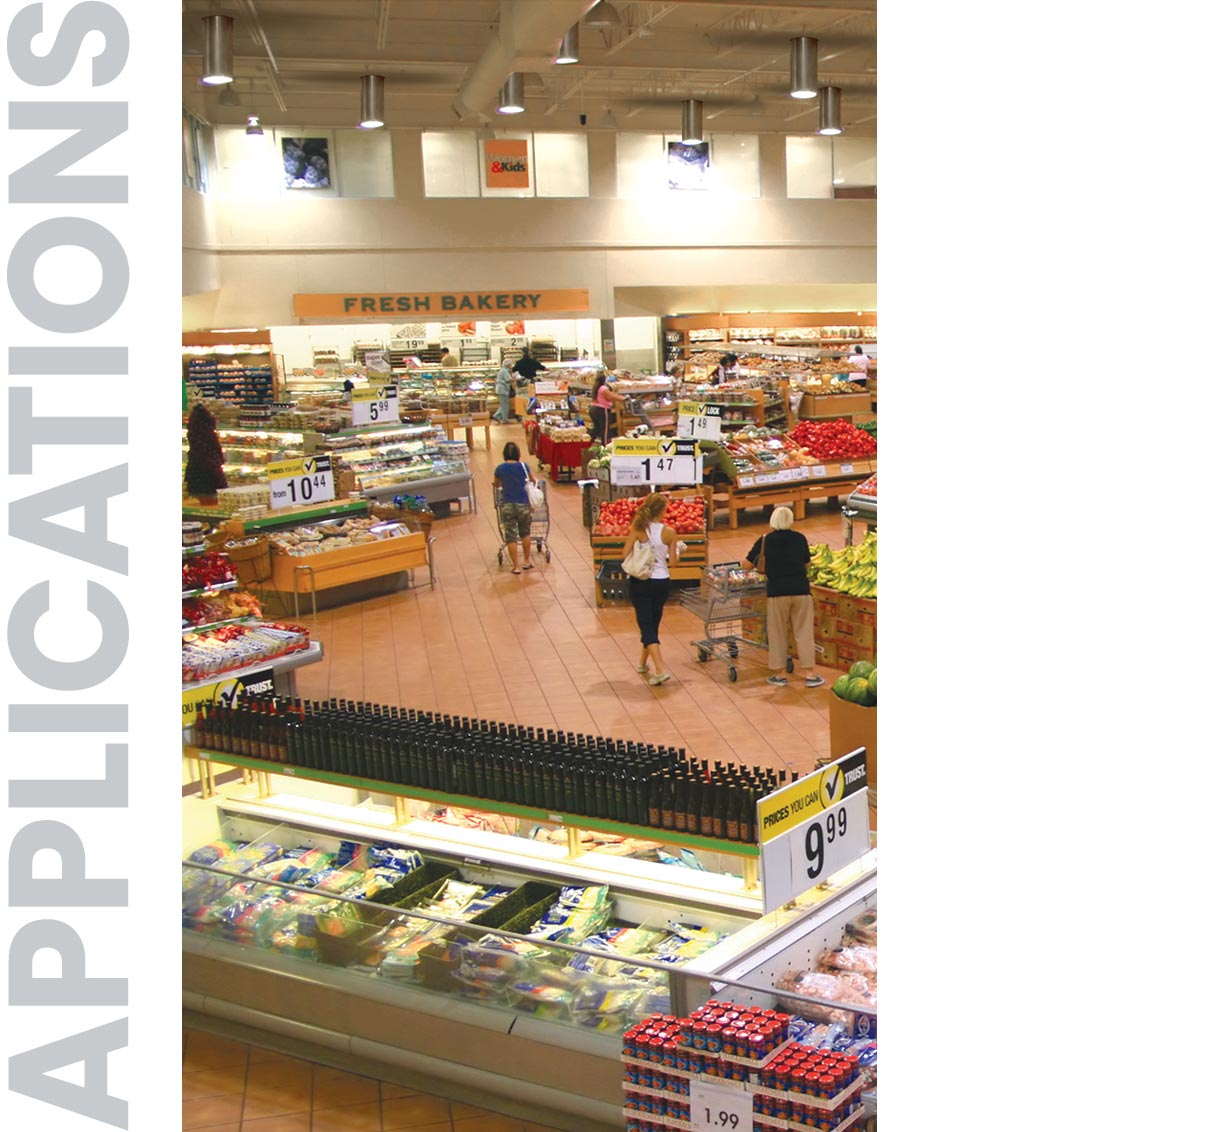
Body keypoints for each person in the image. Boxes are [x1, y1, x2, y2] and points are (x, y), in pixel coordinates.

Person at [742, 508, 823, 688]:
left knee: (777, 633)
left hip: (777, 592)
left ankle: (780, 675)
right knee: (804, 632)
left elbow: (746, 564)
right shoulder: (800, 538)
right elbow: (807, 564)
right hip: (801, 590)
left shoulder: (765, 540)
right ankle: (810, 674)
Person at [622, 493, 679, 685]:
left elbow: (624, 553)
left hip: (642, 581)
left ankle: (660, 669)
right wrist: (677, 550)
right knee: (652, 624)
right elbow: (674, 563)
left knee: (646, 625)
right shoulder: (670, 533)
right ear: (662, 511)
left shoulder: (638, 528)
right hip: (662, 582)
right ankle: (641, 663)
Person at [493, 442, 539, 574]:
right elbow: (533, 481)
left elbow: (496, 484)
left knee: (511, 536)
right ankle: (526, 561)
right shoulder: (524, 466)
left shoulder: (500, 468)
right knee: (525, 532)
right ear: (518, 454)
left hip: (507, 504)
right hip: (523, 503)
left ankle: (516, 566)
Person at [590, 372, 626, 444]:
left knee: (596, 428)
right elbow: (610, 396)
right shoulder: (603, 388)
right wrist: (622, 398)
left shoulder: (596, 387)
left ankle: (588, 441)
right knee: (605, 429)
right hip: (602, 410)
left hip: (593, 409)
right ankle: (605, 445)